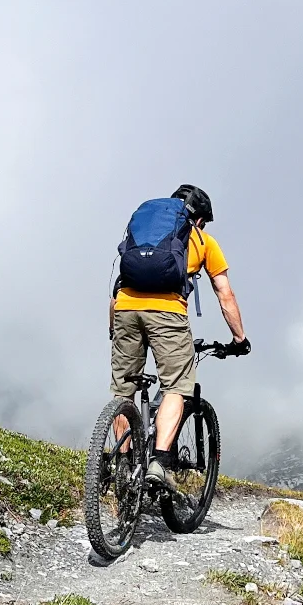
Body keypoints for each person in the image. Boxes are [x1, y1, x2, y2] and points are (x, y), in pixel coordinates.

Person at [109, 184, 250, 490]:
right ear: (198, 218)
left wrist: (115, 328)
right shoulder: (203, 240)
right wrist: (240, 339)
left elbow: (119, 283)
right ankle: (159, 463)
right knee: (176, 385)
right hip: (167, 313)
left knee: (124, 390)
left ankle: (121, 463)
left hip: (125, 308)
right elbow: (225, 294)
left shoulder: (144, 232)